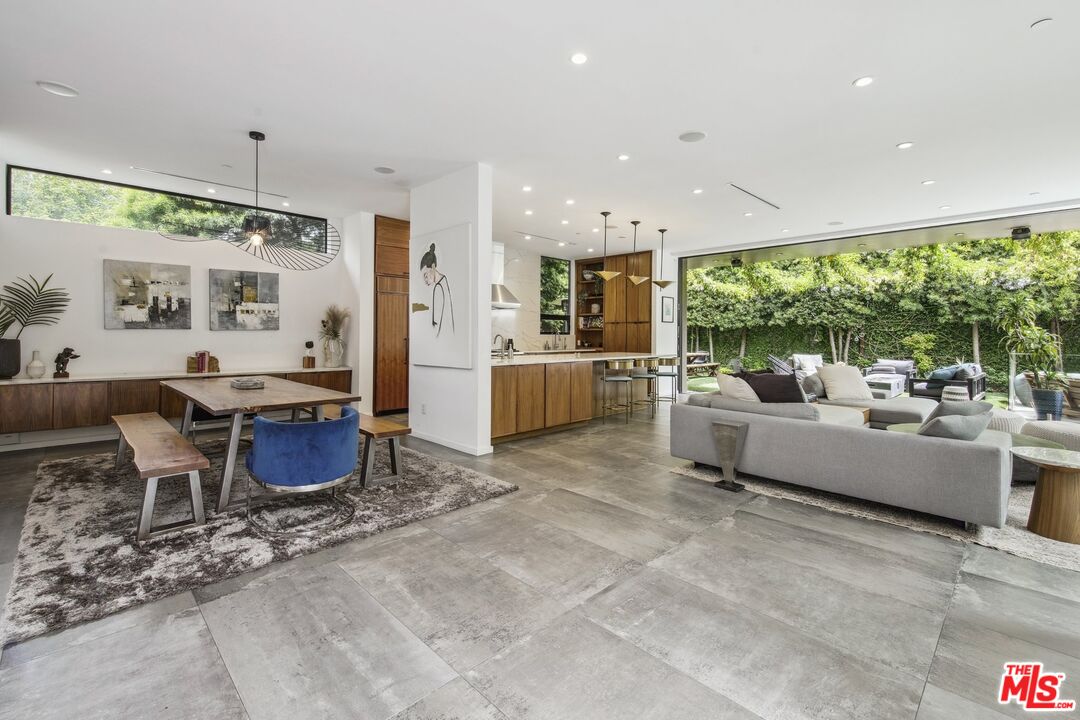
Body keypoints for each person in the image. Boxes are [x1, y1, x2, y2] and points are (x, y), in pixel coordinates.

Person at [420, 243, 454, 337]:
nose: (425, 281)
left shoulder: (440, 287)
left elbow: (441, 320)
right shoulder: (442, 282)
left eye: (426, 276)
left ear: (434, 268)